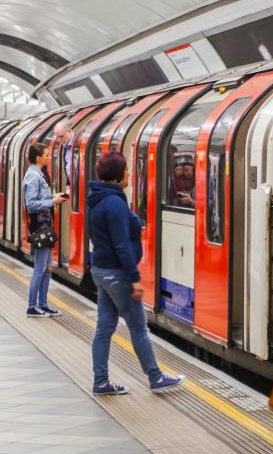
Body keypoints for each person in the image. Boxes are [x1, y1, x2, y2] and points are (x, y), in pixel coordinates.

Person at [88, 150, 183, 395]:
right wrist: (134, 279)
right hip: (117, 274)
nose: (129, 173)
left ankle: (100, 382)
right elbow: (121, 244)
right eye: (127, 170)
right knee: (138, 327)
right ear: (119, 175)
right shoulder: (115, 203)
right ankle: (155, 377)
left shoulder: (97, 199)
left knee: (104, 328)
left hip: (100, 270)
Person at [23, 142, 68, 318]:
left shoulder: (38, 174)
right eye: (47, 155)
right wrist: (52, 202)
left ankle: (43, 304)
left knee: (48, 267)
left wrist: (53, 197)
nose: (49, 158)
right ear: (38, 158)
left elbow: (38, 199)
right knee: (40, 268)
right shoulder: (33, 176)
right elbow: (31, 204)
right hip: (40, 226)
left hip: (45, 225)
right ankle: (32, 306)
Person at [54, 120, 74, 187]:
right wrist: (68, 185)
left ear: (69, 131)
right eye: (57, 137)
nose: (59, 140)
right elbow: (68, 170)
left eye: (61, 136)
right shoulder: (65, 148)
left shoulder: (78, 145)